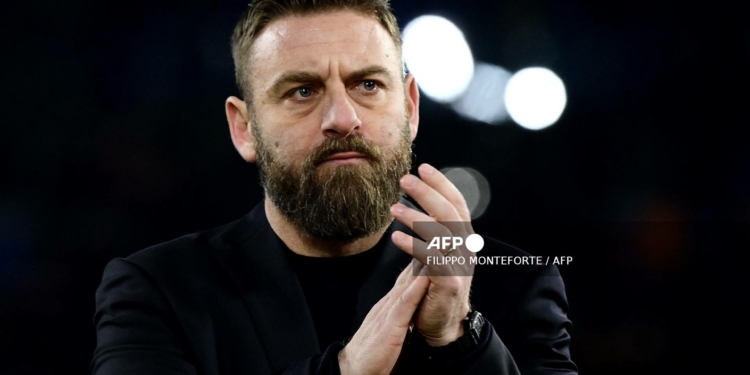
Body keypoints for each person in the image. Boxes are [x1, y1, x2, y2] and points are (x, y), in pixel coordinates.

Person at [91, 1, 577, 374]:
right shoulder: (158, 291)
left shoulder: (518, 286)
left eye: (367, 85)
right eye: (302, 91)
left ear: (410, 107)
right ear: (244, 128)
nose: (343, 119)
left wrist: (459, 335)